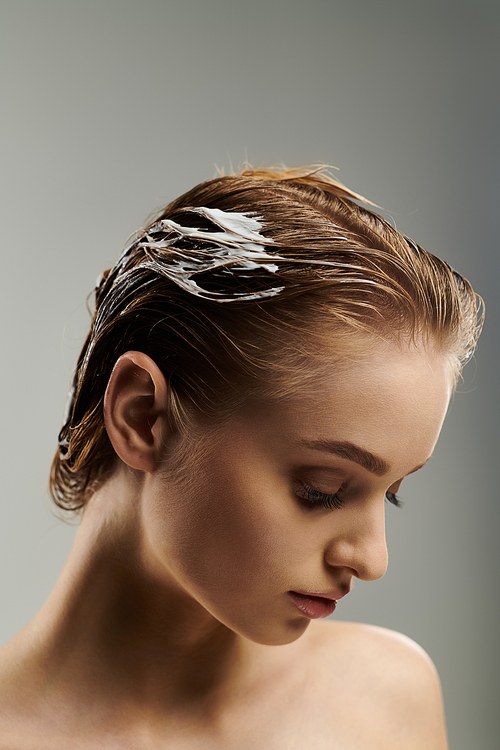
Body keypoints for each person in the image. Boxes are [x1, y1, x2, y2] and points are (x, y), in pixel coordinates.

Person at [0, 166, 482, 748]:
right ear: (142, 416)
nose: (373, 559)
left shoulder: (386, 705)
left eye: (394, 491)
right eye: (321, 488)